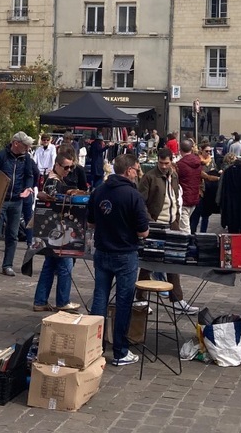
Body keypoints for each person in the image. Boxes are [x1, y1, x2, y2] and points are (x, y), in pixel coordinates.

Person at [87, 153, 150, 367]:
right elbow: (143, 232)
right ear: (129, 170)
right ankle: (120, 352)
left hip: (103, 251)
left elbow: (91, 222)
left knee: (100, 299)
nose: (139, 172)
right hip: (125, 254)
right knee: (123, 302)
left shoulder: (99, 191)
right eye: (137, 169)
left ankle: (93, 348)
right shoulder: (133, 195)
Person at [136, 149, 198, 315]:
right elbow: (141, 203)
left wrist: (176, 218)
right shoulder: (149, 177)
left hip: (171, 223)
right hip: (156, 224)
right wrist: (150, 222)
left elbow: (175, 198)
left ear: (171, 161)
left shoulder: (174, 175)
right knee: (149, 262)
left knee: (174, 260)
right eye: (161, 163)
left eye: (166, 163)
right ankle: (140, 298)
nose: (163, 166)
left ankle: (177, 299)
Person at [31, 151, 85, 313]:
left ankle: (40, 301)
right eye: (66, 167)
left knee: (50, 265)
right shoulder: (53, 181)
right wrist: (69, 195)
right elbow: (54, 199)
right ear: (57, 165)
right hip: (58, 230)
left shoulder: (57, 179)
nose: (68, 170)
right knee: (65, 265)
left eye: (71, 167)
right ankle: (62, 301)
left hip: (54, 230)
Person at [0, 131, 39, 277]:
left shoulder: (25, 158)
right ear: (16, 143)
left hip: (16, 200)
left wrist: (28, 187)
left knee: (12, 235)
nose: (27, 148)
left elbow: (30, 175)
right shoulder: (1, 156)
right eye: (25, 145)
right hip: (0, 200)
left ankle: (7, 265)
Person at [174, 138, 203, 231]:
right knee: (188, 225)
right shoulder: (198, 162)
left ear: (180, 150)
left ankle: (187, 244)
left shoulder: (180, 165)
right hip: (194, 197)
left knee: (184, 229)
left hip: (184, 199)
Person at [195, 142, 221, 232]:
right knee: (197, 215)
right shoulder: (197, 162)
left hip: (209, 191)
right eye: (207, 151)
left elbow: (214, 171)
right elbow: (205, 176)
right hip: (201, 190)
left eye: (210, 151)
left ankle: (203, 233)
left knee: (206, 215)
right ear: (201, 151)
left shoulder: (211, 161)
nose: (209, 153)